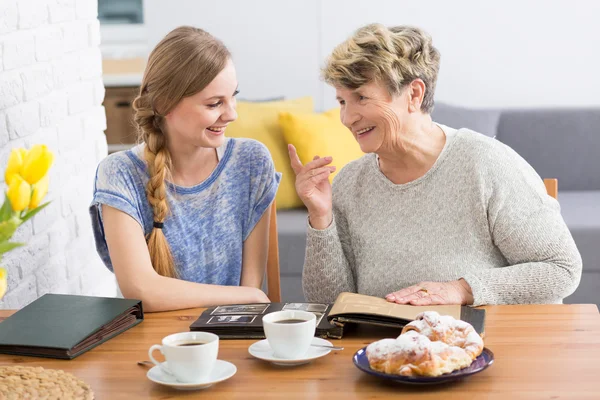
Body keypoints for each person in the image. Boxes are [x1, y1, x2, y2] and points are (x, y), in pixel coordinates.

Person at [290, 23, 582, 306]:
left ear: (414, 94)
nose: (347, 118)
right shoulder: (350, 183)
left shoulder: (485, 164)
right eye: (342, 101)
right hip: (385, 351)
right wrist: (321, 217)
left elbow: (560, 268)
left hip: (482, 347)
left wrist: (461, 289)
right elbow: (329, 305)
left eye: (361, 98)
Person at [90, 26, 280, 311]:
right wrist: (247, 296)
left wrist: (248, 296)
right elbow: (140, 290)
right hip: (151, 348)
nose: (232, 114)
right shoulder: (119, 174)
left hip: (228, 338)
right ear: (166, 104)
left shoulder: (250, 162)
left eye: (233, 96)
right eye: (215, 103)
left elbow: (248, 293)